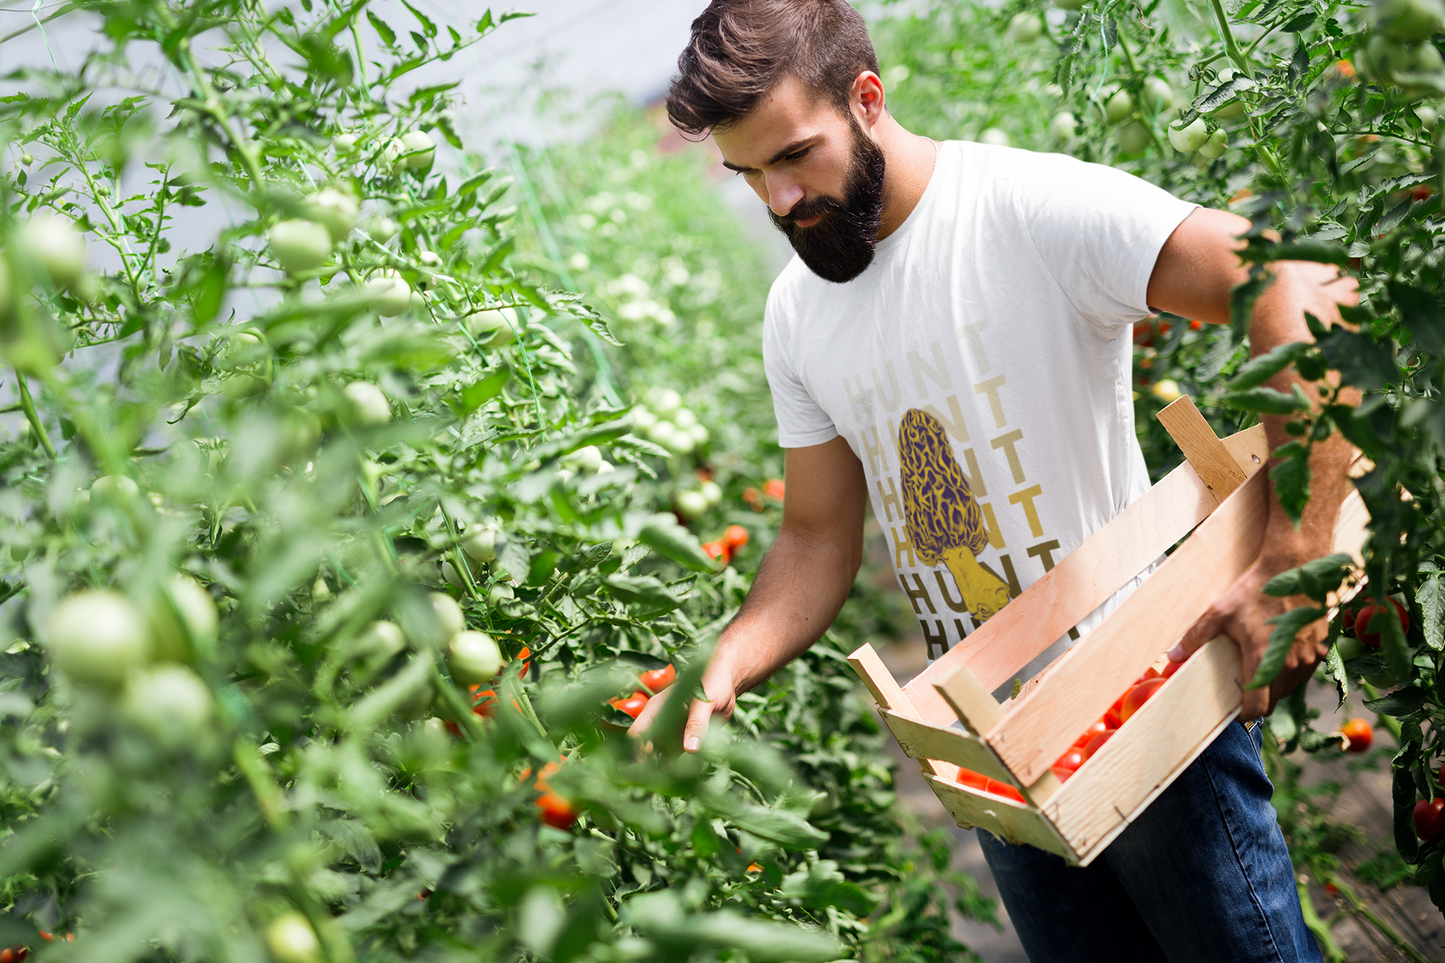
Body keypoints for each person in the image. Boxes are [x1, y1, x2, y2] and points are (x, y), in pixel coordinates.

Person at [631, 1, 1359, 960]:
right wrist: (726, 662)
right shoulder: (796, 314)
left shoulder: (1021, 209)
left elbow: (1298, 285)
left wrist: (1293, 555)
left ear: (866, 98)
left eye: (794, 156)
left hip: (1140, 710)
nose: (776, 201)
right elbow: (814, 536)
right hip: (995, 753)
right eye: (747, 172)